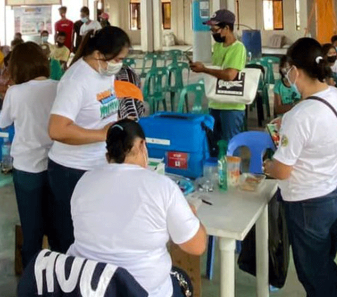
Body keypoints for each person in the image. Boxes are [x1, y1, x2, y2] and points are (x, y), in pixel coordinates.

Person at [68, 119, 207, 297]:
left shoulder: (84, 181)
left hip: (90, 288)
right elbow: (196, 246)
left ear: (108, 154)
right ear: (142, 145)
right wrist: (192, 215)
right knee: (183, 280)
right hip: (142, 291)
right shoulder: (162, 186)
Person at [264, 37, 337, 297]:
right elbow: (325, 134)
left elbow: (281, 171)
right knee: (325, 266)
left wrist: (267, 164)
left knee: (315, 276)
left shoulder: (299, 116)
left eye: (288, 68)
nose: (286, 73)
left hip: (307, 205)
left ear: (296, 70)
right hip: (335, 196)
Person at [46, 26, 131, 253]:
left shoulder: (105, 73)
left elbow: (101, 111)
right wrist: (102, 134)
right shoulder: (77, 80)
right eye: (119, 59)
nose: (120, 64)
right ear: (99, 55)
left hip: (98, 165)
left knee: (95, 234)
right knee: (72, 240)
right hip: (71, 171)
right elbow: (57, 129)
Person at [0, 42, 57, 268]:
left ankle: (32, 283)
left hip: (27, 168)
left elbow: (3, 123)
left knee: (31, 231)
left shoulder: (15, 92)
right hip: (55, 164)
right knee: (56, 228)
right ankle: (58, 281)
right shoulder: (59, 87)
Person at [190, 9, 247, 145]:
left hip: (232, 106)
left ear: (226, 28)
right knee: (214, 143)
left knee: (230, 145)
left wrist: (204, 69)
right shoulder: (218, 46)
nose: (213, 33)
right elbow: (217, 70)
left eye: (215, 30)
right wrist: (203, 67)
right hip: (216, 102)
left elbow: (229, 75)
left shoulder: (238, 48)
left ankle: (231, 167)